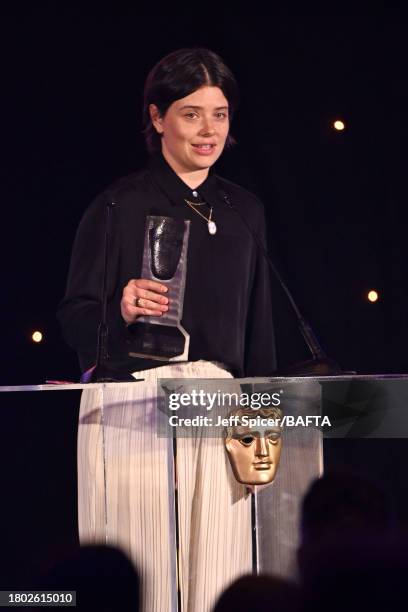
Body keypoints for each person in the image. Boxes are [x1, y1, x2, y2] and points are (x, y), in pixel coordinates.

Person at [58, 48, 276, 612]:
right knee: (144, 573)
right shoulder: (117, 206)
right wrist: (121, 307)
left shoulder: (244, 210)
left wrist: (264, 419)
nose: (209, 130)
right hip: (134, 408)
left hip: (218, 407)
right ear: (157, 118)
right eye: (191, 113)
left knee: (220, 573)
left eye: (220, 114)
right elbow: (76, 319)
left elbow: (258, 327)